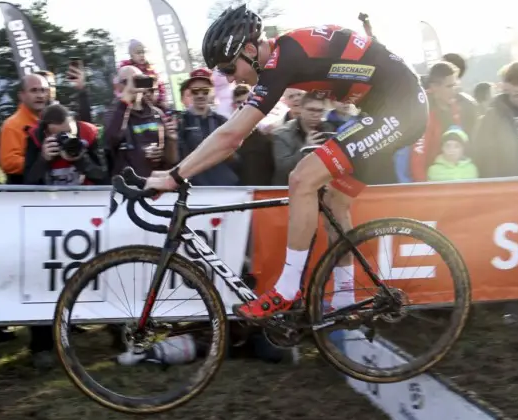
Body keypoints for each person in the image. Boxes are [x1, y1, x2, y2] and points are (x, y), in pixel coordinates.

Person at [141, 5, 428, 320]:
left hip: (401, 110)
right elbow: (233, 131)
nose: (227, 77)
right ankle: (345, 300)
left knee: (302, 179)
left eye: (227, 67)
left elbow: (231, 136)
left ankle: (288, 290)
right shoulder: (283, 56)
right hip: (384, 108)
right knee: (334, 202)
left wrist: (175, 176)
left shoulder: (283, 60)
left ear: (250, 50)